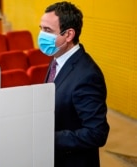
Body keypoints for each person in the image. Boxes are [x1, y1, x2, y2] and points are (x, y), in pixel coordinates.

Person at [38, 1, 110, 167]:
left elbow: (97, 133)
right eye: (41, 28)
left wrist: (48, 137)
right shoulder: (57, 58)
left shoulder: (87, 76)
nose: (41, 35)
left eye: (47, 30)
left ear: (69, 35)